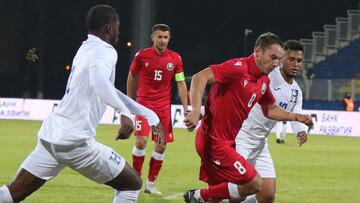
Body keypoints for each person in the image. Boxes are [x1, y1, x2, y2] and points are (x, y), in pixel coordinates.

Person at [0, 5, 165, 203]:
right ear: (109, 27)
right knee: (131, 185)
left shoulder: (86, 48)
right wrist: (123, 112)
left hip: (51, 137)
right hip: (75, 143)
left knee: (11, 193)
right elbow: (99, 82)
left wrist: (148, 114)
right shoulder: (106, 51)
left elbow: (108, 88)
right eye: (118, 26)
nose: (119, 31)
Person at [183, 33, 313, 203]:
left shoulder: (263, 80)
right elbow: (201, 77)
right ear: (258, 52)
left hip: (239, 142)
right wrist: (195, 110)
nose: (275, 63)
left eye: (278, 59)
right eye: (273, 57)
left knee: (262, 195)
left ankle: (200, 197)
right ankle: (198, 196)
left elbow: (270, 109)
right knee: (251, 185)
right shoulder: (238, 68)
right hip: (218, 141)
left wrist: (296, 117)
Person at [237, 40, 309, 203]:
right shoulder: (269, 75)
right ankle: (204, 197)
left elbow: (296, 113)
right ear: (282, 58)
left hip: (261, 143)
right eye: (291, 59)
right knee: (237, 192)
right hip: (241, 137)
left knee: (267, 195)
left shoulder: (296, 90)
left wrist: (300, 131)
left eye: (299, 61)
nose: (295, 64)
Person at [127, 24, 188, 195]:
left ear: (169, 38)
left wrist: (185, 108)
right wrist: (129, 101)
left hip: (163, 110)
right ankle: (135, 181)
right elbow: (132, 74)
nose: (163, 40)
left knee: (160, 147)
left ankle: (150, 184)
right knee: (141, 142)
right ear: (152, 37)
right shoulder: (142, 55)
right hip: (143, 106)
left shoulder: (175, 59)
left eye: (166, 37)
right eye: (159, 37)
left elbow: (181, 83)